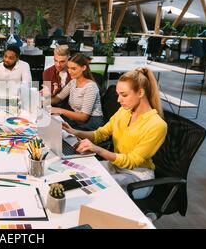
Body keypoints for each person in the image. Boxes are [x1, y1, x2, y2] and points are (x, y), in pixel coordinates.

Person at [62, 68, 167, 199]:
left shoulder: (157, 125)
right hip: (115, 166)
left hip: (138, 178)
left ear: (140, 92)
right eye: (118, 95)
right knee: (78, 174)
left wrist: (97, 149)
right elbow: (101, 134)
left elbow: (131, 161)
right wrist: (74, 131)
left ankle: (142, 218)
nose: (118, 100)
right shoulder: (124, 111)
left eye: (124, 95)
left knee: (93, 191)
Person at [49, 53, 104, 131]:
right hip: (78, 121)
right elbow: (58, 98)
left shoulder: (90, 87)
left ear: (84, 68)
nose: (69, 72)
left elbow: (83, 117)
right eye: (68, 68)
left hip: (91, 124)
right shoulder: (73, 81)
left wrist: (59, 110)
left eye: (73, 69)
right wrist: (41, 100)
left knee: (57, 129)